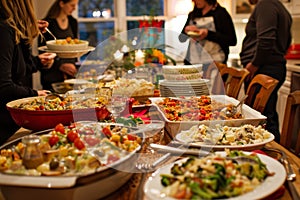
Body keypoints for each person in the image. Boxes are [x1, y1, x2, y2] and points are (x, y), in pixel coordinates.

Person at [0, 0, 56, 145]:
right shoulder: (4, 30)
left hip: (12, 124)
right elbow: (4, 87)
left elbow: (20, 67)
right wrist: (35, 94)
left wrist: (38, 61)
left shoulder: (11, 29)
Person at [240, 0, 292, 143]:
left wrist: (254, 64)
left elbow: (266, 40)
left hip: (264, 68)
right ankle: (274, 152)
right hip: (271, 66)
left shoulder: (265, 4)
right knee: (267, 115)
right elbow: (287, 42)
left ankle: (270, 153)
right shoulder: (278, 6)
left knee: (262, 119)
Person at [179, 0, 237, 65]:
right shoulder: (193, 14)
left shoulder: (221, 13)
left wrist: (208, 34)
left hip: (215, 65)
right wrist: (186, 30)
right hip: (193, 64)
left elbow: (232, 40)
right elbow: (181, 39)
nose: (195, 1)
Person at [38, 0, 79, 91]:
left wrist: (74, 66)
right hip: (52, 77)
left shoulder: (73, 22)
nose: (74, 8)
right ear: (61, 3)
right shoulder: (47, 24)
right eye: (72, 5)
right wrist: (60, 65)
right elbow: (43, 51)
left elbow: (74, 46)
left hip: (70, 77)